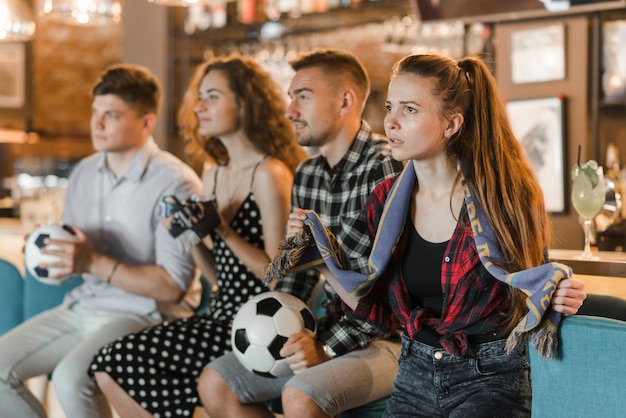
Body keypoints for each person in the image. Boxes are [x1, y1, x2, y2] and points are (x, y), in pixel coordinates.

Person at [281, 52, 587, 417]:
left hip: (489, 377)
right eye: (390, 107)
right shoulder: (385, 199)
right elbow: (380, 314)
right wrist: (320, 259)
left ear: (451, 124)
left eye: (409, 110)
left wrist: (563, 294)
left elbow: (531, 290)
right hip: (413, 371)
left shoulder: (505, 194)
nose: (390, 122)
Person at [89, 55, 308, 418]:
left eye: (212, 97)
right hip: (220, 312)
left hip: (257, 325)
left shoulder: (270, 173)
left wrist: (221, 229)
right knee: (107, 366)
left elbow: (275, 275)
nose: (199, 107)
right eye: (199, 97)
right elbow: (218, 276)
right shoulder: (213, 173)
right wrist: (185, 237)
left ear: (245, 102)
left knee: (114, 361)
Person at [199, 48, 405, 418]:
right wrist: (282, 326)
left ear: (345, 101)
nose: (289, 111)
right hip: (327, 328)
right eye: (290, 97)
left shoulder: (385, 168)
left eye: (303, 97)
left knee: (300, 394)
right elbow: (295, 278)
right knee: (216, 380)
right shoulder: (308, 175)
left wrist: (325, 348)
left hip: (387, 339)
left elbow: (384, 293)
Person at [0, 64, 203, 418]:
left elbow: (172, 288)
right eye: (95, 113)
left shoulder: (178, 184)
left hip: (147, 314)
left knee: (69, 378)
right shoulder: (84, 173)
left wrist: (91, 261)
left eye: (111, 115)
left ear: (146, 123)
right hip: (84, 305)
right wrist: (47, 253)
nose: (97, 124)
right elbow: (73, 253)